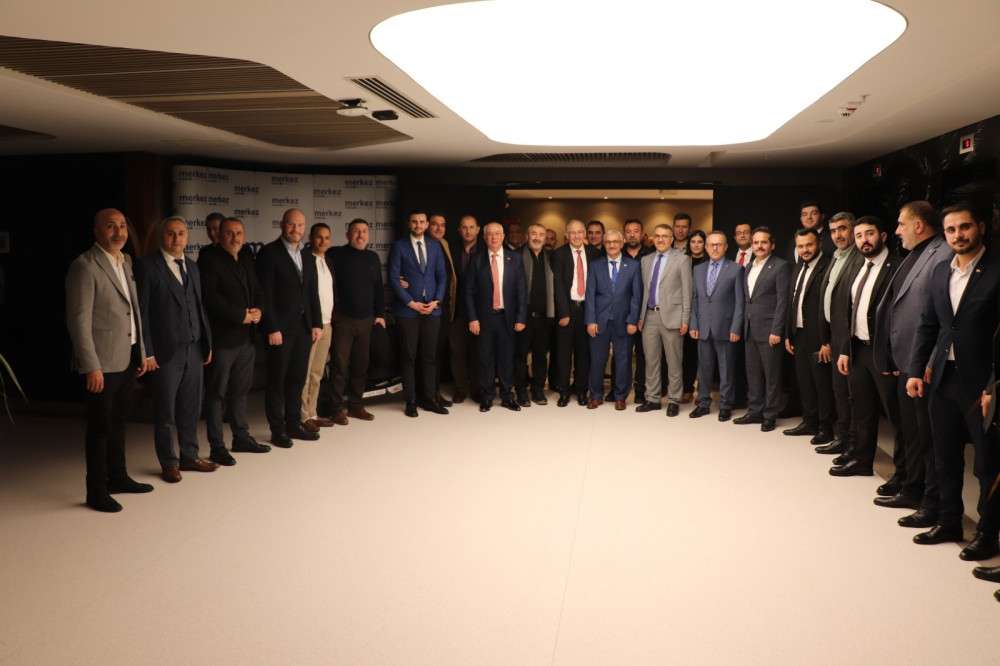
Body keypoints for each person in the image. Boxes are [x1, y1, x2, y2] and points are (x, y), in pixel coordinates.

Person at [907, 203, 1000, 559]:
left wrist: (995, 386)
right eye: (951, 230)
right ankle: (949, 521)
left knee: (987, 463)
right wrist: (916, 370)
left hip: (983, 386)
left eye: (965, 227)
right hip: (943, 380)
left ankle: (988, 534)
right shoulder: (940, 272)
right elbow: (929, 324)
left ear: (981, 227)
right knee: (943, 455)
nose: (958, 235)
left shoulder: (996, 270)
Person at [65, 209, 155, 512]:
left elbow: (135, 310)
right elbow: (79, 321)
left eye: (122, 226)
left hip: (127, 356)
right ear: (96, 231)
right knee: (99, 428)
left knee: (118, 423)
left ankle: (118, 478)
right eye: (110, 226)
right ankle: (96, 491)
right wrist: (91, 365)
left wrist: (142, 351)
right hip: (102, 363)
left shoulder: (125, 260)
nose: (118, 232)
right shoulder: (84, 266)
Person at [872, 201, 950, 522]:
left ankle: (929, 500)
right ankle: (910, 484)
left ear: (918, 225)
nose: (897, 230)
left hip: (924, 364)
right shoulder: (915, 254)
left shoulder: (942, 254)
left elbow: (938, 318)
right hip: (905, 359)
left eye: (901, 224)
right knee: (909, 431)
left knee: (926, 437)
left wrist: (926, 363)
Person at [136, 216, 216, 481]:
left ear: (187, 237)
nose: (176, 238)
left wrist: (206, 343)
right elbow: (142, 313)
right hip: (164, 352)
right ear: (162, 236)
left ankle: (189, 456)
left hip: (194, 348)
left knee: (191, 408)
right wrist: (147, 352)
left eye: (181, 233)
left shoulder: (192, 267)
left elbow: (199, 307)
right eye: (171, 233)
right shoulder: (147, 266)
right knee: (165, 411)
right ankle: (169, 462)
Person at [831, 216, 900, 477]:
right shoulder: (859, 266)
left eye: (869, 233)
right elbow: (847, 311)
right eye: (859, 236)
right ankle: (862, 461)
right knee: (862, 409)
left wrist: (895, 356)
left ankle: (903, 476)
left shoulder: (897, 267)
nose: (864, 240)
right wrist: (844, 349)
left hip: (884, 353)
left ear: (883, 236)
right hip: (858, 349)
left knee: (896, 416)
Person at [199, 217, 270, 459]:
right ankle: (217, 446)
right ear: (220, 235)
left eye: (239, 233)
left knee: (240, 391)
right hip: (223, 340)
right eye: (229, 233)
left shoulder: (246, 257)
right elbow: (211, 298)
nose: (235, 237)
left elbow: (258, 289)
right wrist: (241, 315)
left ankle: (241, 437)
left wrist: (259, 310)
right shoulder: (209, 259)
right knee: (216, 394)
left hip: (247, 339)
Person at [256, 208, 323, 446]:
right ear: (282, 225)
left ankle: (293, 424)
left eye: (300, 225)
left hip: (304, 329)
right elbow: (264, 294)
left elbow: (312, 292)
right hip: (280, 331)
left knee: (296, 379)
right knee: (277, 381)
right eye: (292, 224)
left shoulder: (307, 255)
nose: (296, 229)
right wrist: (271, 327)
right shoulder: (269, 253)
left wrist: (316, 323)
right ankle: (277, 430)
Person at [814, 213, 864, 459]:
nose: (838, 235)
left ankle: (853, 445)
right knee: (840, 392)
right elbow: (828, 298)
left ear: (853, 229)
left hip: (850, 339)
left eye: (842, 229)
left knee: (852, 395)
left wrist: (842, 342)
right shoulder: (836, 257)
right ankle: (842, 439)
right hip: (834, 335)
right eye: (833, 231)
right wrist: (826, 339)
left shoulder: (859, 258)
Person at [388, 210, 448, 417]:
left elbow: (442, 276)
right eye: (414, 222)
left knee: (429, 357)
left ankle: (429, 399)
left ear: (426, 224)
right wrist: (411, 303)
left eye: (422, 222)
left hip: (432, 310)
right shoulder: (399, 246)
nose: (418, 225)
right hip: (408, 311)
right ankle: (411, 401)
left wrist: (436, 301)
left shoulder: (435, 246)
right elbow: (393, 278)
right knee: (409, 357)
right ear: (409, 224)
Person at [326, 218, 386, 422]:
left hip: (366, 321)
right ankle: (335, 408)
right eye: (356, 231)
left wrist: (380, 314)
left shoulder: (372, 257)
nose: (361, 235)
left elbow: (378, 288)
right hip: (343, 320)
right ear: (348, 234)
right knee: (339, 366)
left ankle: (355, 405)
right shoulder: (335, 255)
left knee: (361, 366)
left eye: (364, 231)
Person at [466, 222, 527, 411]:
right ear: (485, 238)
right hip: (484, 319)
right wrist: (472, 318)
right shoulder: (476, 260)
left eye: (497, 234)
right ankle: (487, 396)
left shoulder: (515, 258)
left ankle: (507, 396)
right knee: (485, 358)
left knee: (506, 358)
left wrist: (521, 318)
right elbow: (468, 292)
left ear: (503, 236)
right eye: (490, 234)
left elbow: (521, 291)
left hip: (507, 318)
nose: (493, 237)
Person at [734, 227, 790, 432]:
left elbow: (783, 301)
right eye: (756, 242)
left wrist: (777, 330)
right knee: (753, 374)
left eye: (763, 242)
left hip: (769, 331)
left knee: (772, 376)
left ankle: (770, 415)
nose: (759, 246)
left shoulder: (781, 266)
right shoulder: (748, 266)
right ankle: (755, 411)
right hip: (750, 329)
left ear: (772, 245)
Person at [782, 228, 833, 442]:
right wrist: (788, 334)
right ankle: (809, 422)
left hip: (819, 337)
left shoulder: (829, 266)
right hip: (799, 334)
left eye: (809, 245)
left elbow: (831, 307)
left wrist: (827, 341)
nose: (805, 250)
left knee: (822, 385)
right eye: (800, 246)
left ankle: (825, 428)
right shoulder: (799, 267)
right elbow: (792, 301)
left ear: (819, 243)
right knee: (805, 382)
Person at [635, 224, 691, 416]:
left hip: (673, 317)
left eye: (665, 236)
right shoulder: (646, 260)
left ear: (671, 239)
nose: (660, 239)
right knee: (651, 361)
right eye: (657, 236)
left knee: (674, 361)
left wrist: (685, 319)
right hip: (649, 316)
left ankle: (674, 399)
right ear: (653, 238)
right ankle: (652, 398)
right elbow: (644, 291)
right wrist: (641, 316)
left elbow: (687, 292)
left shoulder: (682, 259)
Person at [689, 231, 744, 421]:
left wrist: (736, 327)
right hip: (703, 327)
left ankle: (725, 405)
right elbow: (695, 299)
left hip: (726, 329)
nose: (715, 248)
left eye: (719, 244)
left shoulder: (736, 269)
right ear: (706, 247)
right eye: (711, 244)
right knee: (704, 369)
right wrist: (694, 323)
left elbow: (740, 303)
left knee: (726, 370)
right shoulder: (698, 269)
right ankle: (703, 403)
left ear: (726, 247)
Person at [585, 229, 642, 410]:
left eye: (615, 241)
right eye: (608, 242)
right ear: (604, 244)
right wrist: (590, 320)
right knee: (597, 360)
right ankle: (595, 395)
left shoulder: (633, 266)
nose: (612, 245)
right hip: (599, 321)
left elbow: (636, 296)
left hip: (623, 321)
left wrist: (632, 320)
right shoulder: (595, 265)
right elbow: (590, 295)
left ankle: (620, 396)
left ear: (622, 243)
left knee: (623, 360)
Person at [552, 219, 600, 406]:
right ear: (566, 235)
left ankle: (581, 390)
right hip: (568, 309)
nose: (577, 236)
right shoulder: (559, 254)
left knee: (583, 353)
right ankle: (563, 391)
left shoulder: (595, 253)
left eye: (580, 232)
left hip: (587, 309)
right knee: (563, 354)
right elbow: (558, 285)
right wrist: (563, 313)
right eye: (572, 232)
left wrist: (594, 314)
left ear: (585, 234)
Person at [609, 219, 653, 403]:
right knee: (620, 354)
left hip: (646, 313)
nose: (632, 234)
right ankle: (617, 389)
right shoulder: (616, 253)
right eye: (628, 231)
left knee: (643, 354)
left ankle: (640, 391)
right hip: (621, 315)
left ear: (642, 234)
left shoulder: (651, 254)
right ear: (624, 235)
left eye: (636, 231)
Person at [300, 223, 337, 432]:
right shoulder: (305, 260)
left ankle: (313, 412)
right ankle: (302, 416)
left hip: (327, 324)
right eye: (319, 237)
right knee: (304, 373)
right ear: (311, 238)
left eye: (327, 237)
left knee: (317, 372)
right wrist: (313, 322)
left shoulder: (328, 261)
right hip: (310, 325)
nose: (323, 241)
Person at [515, 223, 555, 406]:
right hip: (523, 316)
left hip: (544, 316)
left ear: (545, 238)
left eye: (541, 234)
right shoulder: (516, 257)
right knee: (520, 356)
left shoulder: (550, 258)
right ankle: (521, 391)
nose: (537, 237)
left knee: (540, 356)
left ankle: (538, 390)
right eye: (534, 234)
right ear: (527, 236)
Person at [450, 215, 483, 403]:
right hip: (457, 309)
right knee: (458, 352)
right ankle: (460, 389)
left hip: (480, 310)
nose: (468, 231)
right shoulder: (451, 249)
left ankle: (477, 389)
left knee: (479, 352)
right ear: (459, 230)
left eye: (471, 227)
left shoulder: (486, 249)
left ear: (478, 229)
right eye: (464, 227)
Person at [428, 213, 456, 407]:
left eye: (442, 225)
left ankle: (434, 391)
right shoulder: (423, 244)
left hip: (444, 306)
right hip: (427, 307)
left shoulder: (444, 244)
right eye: (435, 224)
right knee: (429, 353)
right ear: (427, 226)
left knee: (437, 352)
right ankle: (428, 393)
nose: (439, 228)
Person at [682, 229, 709, 402]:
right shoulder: (683, 261)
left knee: (704, 355)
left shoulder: (710, 262)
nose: (696, 245)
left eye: (700, 242)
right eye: (693, 242)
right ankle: (687, 388)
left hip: (705, 312)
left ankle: (702, 390)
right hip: (686, 312)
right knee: (688, 354)